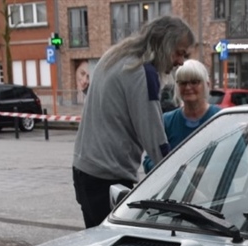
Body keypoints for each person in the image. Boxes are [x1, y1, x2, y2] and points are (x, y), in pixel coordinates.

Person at [72, 16, 194, 228]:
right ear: (165, 45)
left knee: (98, 240)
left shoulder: (115, 56)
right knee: (118, 244)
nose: (181, 61)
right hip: (108, 179)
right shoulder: (141, 71)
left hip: (84, 170)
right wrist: (188, 189)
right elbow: (155, 140)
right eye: (179, 52)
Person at [143, 59, 221, 173]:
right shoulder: (166, 122)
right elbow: (148, 162)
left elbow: (239, 163)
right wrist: (174, 170)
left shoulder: (220, 118)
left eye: (194, 82)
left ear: (207, 85)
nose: (188, 87)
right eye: (183, 83)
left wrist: (206, 172)